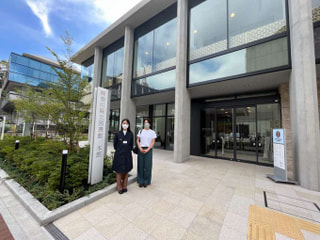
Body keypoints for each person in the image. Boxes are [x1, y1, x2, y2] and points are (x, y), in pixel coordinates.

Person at [113, 119, 134, 194]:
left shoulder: (130, 134)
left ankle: (125, 185)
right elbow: (115, 145)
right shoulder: (117, 134)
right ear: (121, 124)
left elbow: (131, 146)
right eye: (123, 123)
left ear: (128, 125)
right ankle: (119, 186)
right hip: (119, 155)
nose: (125, 125)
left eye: (126, 123)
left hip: (127, 155)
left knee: (126, 170)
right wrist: (120, 150)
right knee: (119, 171)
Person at [136, 118, 157, 188]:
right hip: (141, 149)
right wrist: (140, 148)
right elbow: (138, 140)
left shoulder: (152, 132)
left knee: (147, 166)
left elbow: (152, 142)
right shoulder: (141, 131)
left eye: (147, 122)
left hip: (148, 150)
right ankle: (140, 180)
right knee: (140, 165)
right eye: (145, 122)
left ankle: (146, 181)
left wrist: (147, 149)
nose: (146, 124)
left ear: (150, 124)